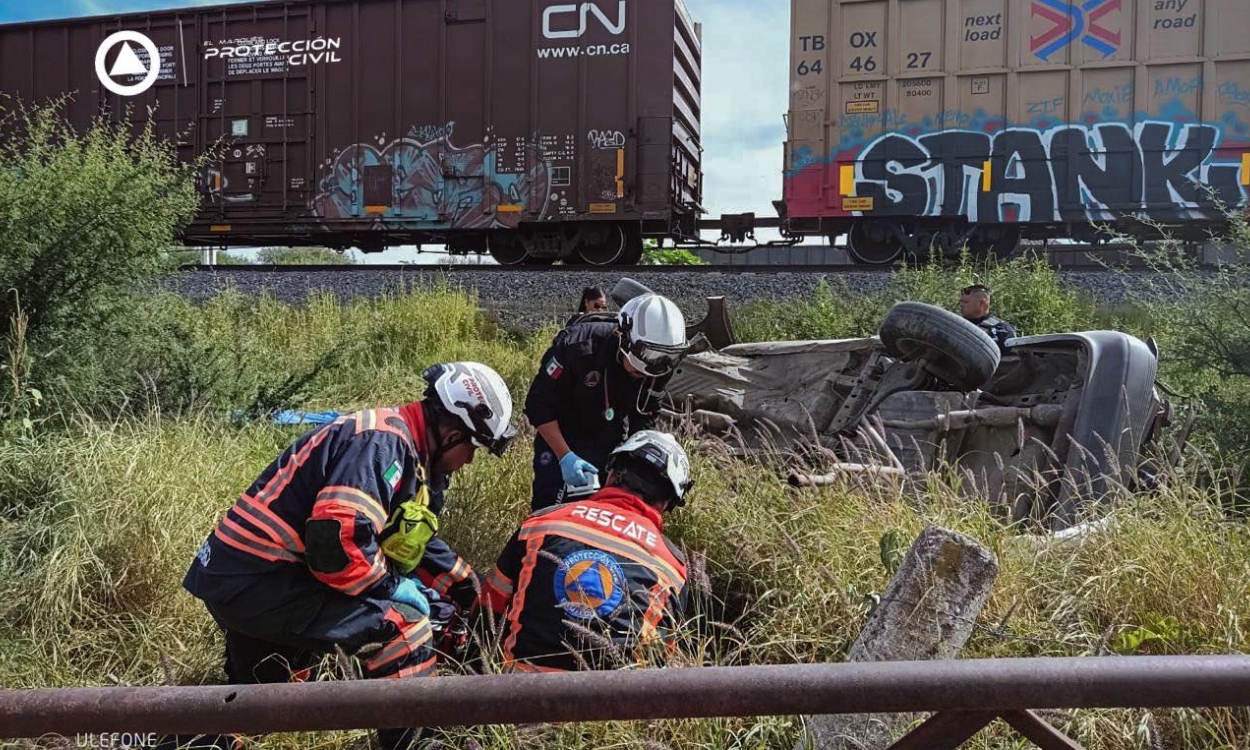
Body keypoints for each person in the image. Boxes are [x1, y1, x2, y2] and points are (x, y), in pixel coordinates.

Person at [180, 362, 516, 750]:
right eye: (472, 448)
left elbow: (400, 537)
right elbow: (336, 544)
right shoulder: (381, 444)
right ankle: (415, 743)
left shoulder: (399, 444)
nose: (469, 461)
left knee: (259, 711)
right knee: (405, 627)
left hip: (243, 577)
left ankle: (155, 737)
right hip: (263, 582)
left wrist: (465, 586)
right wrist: (393, 587)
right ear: (452, 432)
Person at [480, 430, 692, 672]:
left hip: (514, 698)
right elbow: (659, 660)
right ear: (666, 503)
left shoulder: (540, 524)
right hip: (611, 707)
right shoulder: (672, 568)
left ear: (611, 473)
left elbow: (488, 611)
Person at [525, 293, 690, 511]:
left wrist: (636, 465)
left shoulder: (659, 366)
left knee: (602, 511)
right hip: (562, 435)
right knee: (552, 510)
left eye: (664, 357)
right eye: (648, 354)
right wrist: (565, 456)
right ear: (623, 337)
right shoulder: (577, 346)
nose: (651, 367)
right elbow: (538, 404)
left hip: (610, 437)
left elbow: (645, 416)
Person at [959, 284, 1017, 350]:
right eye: (961, 302)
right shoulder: (956, 326)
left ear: (982, 303)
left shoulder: (1001, 329)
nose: (961, 305)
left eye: (966, 302)